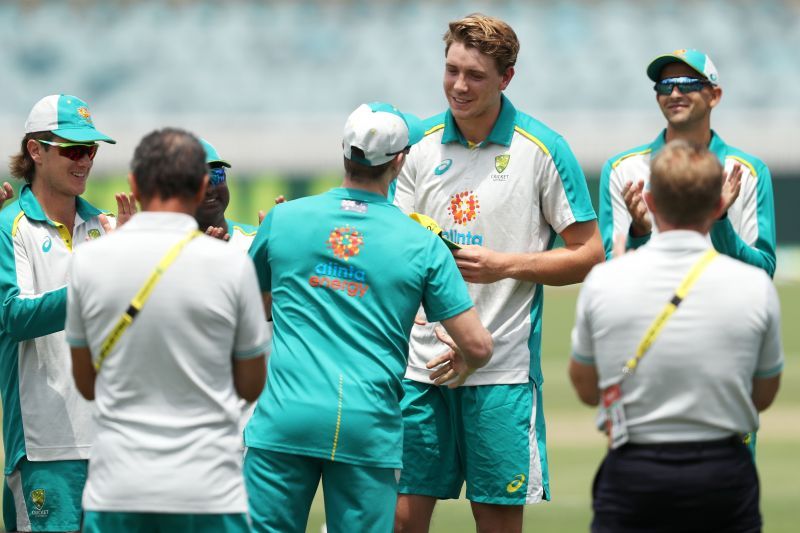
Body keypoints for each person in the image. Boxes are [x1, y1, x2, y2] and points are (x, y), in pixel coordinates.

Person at [391, 13, 604, 532]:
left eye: (476, 75)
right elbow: (389, 247)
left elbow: (590, 252)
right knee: (398, 523)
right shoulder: (414, 144)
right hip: (418, 372)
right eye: (451, 70)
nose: (459, 86)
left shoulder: (543, 149)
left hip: (501, 375)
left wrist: (506, 265)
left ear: (507, 77)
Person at [244, 102, 493, 533]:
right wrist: (466, 360)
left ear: (344, 151)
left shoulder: (283, 219)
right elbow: (477, 345)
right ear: (399, 161)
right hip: (365, 423)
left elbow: (246, 310)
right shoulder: (422, 243)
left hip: (284, 418)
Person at [570, 140, 782, 533]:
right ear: (719, 207)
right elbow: (764, 395)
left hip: (634, 470)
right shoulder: (755, 285)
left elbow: (585, 389)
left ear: (649, 200)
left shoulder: (605, 281)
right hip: (723, 468)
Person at [65, 128, 269, 533]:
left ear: (134, 185)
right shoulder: (231, 264)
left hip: (117, 488)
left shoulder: (89, 262)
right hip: (208, 489)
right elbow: (250, 384)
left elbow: (87, 384)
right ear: (199, 187)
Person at [0, 94, 115, 532]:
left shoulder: (105, 226)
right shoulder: (10, 225)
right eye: (72, 149)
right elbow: (15, 315)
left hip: (111, 444)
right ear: (35, 150)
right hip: (43, 447)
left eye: (90, 150)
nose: (84, 161)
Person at [599, 48, 776, 278]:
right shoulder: (621, 170)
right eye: (665, 85)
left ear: (715, 96)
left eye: (687, 84)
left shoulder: (748, 172)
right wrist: (639, 233)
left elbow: (762, 271)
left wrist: (720, 221)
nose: (674, 93)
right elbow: (610, 273)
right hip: (651, 313)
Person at [195, 138, 258, 250]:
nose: (209, 190)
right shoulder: (167, 248)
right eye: (197, 181)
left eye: (217, 175)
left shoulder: (255, 241)